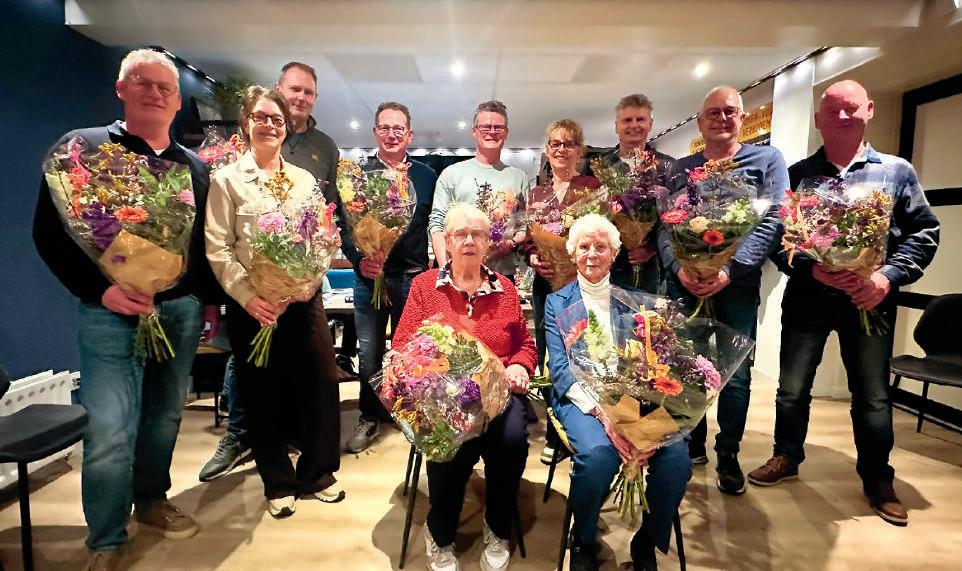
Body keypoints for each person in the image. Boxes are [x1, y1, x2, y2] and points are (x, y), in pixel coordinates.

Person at [32, 49, 221, 571]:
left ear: (178, 101)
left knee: (164, 417)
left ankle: (152, 500)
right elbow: (50, 235)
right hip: (110, 311)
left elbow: (202, 247)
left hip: (178, 311)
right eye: (143, 83)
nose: (155, 93)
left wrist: (207, 302)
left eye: (165, 87)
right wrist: (100, 291)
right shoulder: (84, 151)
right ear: (121, 89)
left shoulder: (195, 168)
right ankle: (107, 538)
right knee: (111, 425)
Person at [747, 80, 940, 526]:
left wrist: (886, 276)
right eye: (833, 110)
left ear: (869, 109)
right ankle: (786, 455)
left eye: (851, 108)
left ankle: (877, 478)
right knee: (792, 388)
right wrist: (807, 268)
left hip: (868, 300)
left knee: (872, 395)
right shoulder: (798, 174)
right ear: (818, 119)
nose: (843, 117)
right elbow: (776, 239)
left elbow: (925, 232)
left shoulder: (895, 172)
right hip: (808, 298)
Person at [199, 61, 347, 480]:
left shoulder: (303, 181)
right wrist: (249, 298)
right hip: (253, 306)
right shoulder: (227, 180)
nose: (269, 125)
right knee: (261, 391)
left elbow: (323, 239)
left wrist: (309, 282)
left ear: (286, 127)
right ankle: (277, 482)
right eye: (261, 117)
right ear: (246, 123)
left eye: (277, 120)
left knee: (321, 382)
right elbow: (218, 247)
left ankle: (318, 472)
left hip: (303, 300)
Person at [658, 86, 788, 495]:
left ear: (742, 117)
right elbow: (664, 225)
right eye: (713, 112)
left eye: (730, 111)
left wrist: (730, 269)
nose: (722, 118)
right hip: (685, 284)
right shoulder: (681, 169)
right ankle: (690, 445)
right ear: (700, 121)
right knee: (686, 366)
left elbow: (773, 220)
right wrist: (679, 267)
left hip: (737, 286)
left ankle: (728, 454)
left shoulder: (766, 160)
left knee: (735, 375)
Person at [393, 203, 537, 571]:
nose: (469, 240)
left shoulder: (505, 289)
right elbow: (403, 345)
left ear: (488, 242)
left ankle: (497, 524)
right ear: (448, 241)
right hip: (445, 400)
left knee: (512, 440)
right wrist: (433, 380)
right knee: (450, 446)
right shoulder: (425, 287)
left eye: (477, 234)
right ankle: (440, 533)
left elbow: (525, 344)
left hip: (497, 396)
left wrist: (519, 365)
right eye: (461, 234)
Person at [545, 214, 691, 571]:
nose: (592, 254)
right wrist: (606, 415)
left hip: (636, 397)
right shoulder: (557, 303)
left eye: (601, 247)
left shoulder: (636, 300)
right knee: (598, 457)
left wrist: (641, 417)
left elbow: (657, 361)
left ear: (614, 254)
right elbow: (561, 371)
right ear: (572, 254)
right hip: (583, 400)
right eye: (584, 246)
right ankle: (583, 538)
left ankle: (647, 541)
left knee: (675, 461)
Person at [341, 101, 438, 453]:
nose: (392, 134)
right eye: (385, 127)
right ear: (375, 132)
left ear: (409, 134)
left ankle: (405, 411)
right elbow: (344, 227)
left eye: (399, 128)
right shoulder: (358, 176)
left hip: (412, 279)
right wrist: (359, 260)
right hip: (369, 279)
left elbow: (435, 225)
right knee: (368, 353)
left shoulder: (425, 177)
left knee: (408, 352)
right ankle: (369, 416)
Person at [522, 118, 600, 462]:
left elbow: (599, 234)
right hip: (545, 287)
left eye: (569, 144)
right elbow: (528, 238)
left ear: (579, 150)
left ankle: (581, 428)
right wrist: (533, 257)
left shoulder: (592, 188)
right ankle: (555, 431)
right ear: (547, 149)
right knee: (550, 356)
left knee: (581, 355)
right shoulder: (536, 193)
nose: (561, 150)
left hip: (581, 287)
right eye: (555, 143)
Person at [429, 100, 530, 280]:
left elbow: (524, 226)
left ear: (506, 132)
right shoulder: (452, 174)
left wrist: (510, 243)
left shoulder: (518, 177)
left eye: (498, 127)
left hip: (502, 274)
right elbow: (437, 223)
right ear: (474, 131)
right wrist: (446, 269)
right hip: (458, 273)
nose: (492, 132)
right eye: (485, 127)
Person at [596, 94, 676, 293]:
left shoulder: (668, 167)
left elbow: (678, 217)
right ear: (616, 126)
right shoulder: (598, 166)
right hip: (604, 266)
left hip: (652, 269)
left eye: (640, 119)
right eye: (627, 120)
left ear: (650, 124)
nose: (634, 125)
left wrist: (651, 248)